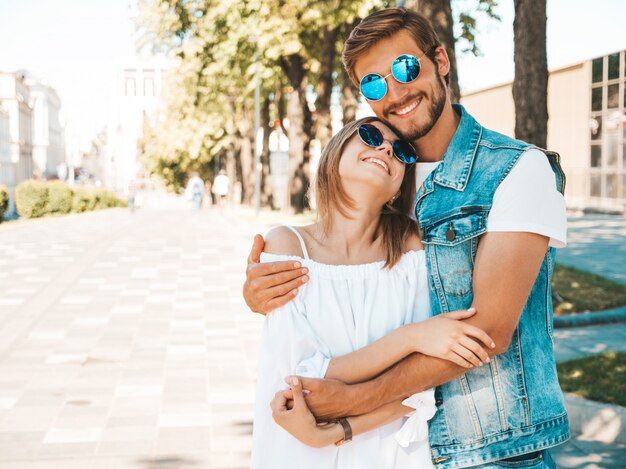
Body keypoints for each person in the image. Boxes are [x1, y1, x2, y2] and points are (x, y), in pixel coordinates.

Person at [244, 8, 568, 469]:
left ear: (440, 60)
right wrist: (264, 290)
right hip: (400, 449)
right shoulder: (389, 181)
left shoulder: (519, 171)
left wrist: (348, 401)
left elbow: (486, 334)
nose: (394, 91)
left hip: (490, 453)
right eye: (374, 83)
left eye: (405, 68)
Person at [252, 117, 496, 468]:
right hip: (301, 454)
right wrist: (410, 338)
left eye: (401, 152)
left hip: (393, 450)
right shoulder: (287, 245)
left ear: (398, 189)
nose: (385, 148)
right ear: (333, 156)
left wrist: (343, 429)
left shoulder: (413, 251)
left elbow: (419, 386)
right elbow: (302, 386)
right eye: (369, 135)